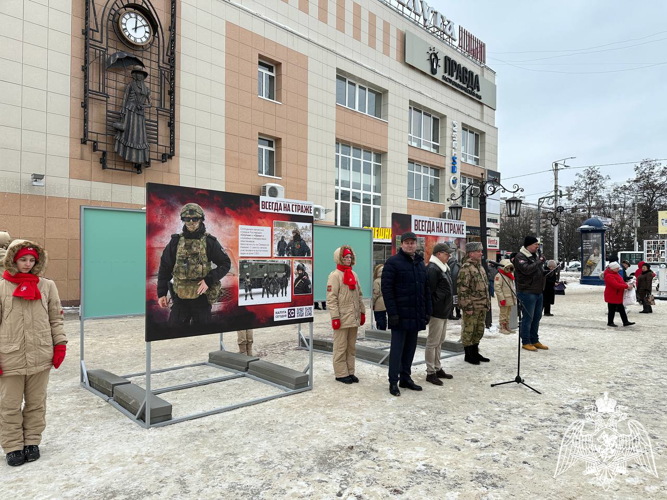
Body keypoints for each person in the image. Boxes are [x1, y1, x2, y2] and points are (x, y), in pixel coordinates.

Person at [1, 240, 67, 467]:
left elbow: (55, 319)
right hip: (9, 357)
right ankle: (12, 446)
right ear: (13, 260)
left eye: (32, 260)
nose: (28, 264)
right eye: (23, 259)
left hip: (41, 355)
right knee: (9, 405)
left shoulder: (47, 286)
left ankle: (31, 442)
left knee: (36, 403)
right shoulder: (1, 287)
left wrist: (59, 344)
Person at [157, 203, 231, 327]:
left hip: (201, 299)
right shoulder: (175, 242)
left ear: (201, 219)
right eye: (187, 219)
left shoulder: (209, 242)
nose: (191, 222)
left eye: (195, 219)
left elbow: (225, 263)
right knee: (175, 333)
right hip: (180, 298)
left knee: (203, 335)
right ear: (183, 220)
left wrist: (209, 280)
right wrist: (162, 293)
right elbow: (165, 268)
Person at [382, 232, 432, 397]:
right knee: (397, 350)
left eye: (412, 243)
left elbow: (426, 289)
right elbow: (387, 291)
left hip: (415, 313)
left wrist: (427, 311)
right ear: (401, 244)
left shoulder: (419, 263)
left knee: (410, 348)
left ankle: (405, 378)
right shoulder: (393, 263)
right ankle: (393, 381)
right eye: (407, 243)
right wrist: (393, 313)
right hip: (400, 315)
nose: (410, 245)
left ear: (416, 244)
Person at [327, 246, 365, 384]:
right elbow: (332, 299)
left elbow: (359, 295)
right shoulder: (335, 275)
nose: (348, 260)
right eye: (345, 258)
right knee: (340, 346)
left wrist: (362, 312)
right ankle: (341, 373)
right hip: (342, 318)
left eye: (350, 257)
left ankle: (350, 371)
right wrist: (335, 317)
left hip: (353, 317)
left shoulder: (354, 275)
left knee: (351, 347)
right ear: (340, 259)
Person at [457, 242, 491, 364]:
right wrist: (467, 306)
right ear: (471, 253)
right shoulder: (466, 268)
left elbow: (485, 287)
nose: (481, 253)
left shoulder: (480, 267)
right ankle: (468, 354)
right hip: (472, 306)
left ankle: (475, 352)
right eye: (478, 251)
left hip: (481, 305)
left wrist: (487, 303)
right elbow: (462, 288)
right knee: (469, 330)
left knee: (479, 329)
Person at [425, 243, 454, 385]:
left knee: (440, 341)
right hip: (437, 312)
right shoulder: (433, 268)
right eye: (446, 253)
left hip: (444, 311)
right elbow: (429, 292)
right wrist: (435, 306)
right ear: (438, 254)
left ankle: (437, 367)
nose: (449, 256)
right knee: (432, 342)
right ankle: (430, 372)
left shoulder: (443, 268)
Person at [514, 236, 549, 352]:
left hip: (538, 291)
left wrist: (545, 272)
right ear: (528, 245)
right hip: (527, 291)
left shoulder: (534, 256)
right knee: (528, 318)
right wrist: (540, 262)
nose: (537, 247)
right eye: (536, 244)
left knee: (537, 317)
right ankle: (526, 341)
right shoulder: (520, 256)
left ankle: (534, 340)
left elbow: (535, 270)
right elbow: (526, 269)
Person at [603, 262, 635, 327]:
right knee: (612, 309)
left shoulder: (615, 273)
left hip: (617, 294)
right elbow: (615, 285)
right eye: (617, 268)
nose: (619, 269)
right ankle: (610, 322)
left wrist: (626, 284)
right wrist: (626, 286)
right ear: (613, 268)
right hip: (612, 295)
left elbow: (621, 282)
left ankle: (625, 322)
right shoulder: (609, 275)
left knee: (621, 309)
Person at [494, 259, 516, 334]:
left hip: (510, 298)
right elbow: (497, 288)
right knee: (503, 314)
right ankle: (502, 327)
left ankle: (507, 326)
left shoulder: (509, 276)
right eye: (507, 268)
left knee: (508, 314)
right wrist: (501, 299)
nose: (509, 269)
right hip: (504, 299)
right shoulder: (499, 276)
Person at [372, 264, 387, 331]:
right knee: (384, 317)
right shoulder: (386, 280)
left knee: (379, 318)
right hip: (386, 301)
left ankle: (380, 331)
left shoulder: (376, 281)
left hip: (379, 302)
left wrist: (372, 303)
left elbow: (376, 293)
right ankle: (384, 330)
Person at [448, 252, 462, 320]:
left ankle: (451, 314)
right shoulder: (457, 266)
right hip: (457, 286)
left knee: (452, 300)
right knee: (456, 300)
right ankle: (458, 313)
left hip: (451, 286)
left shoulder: (449, 266)